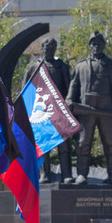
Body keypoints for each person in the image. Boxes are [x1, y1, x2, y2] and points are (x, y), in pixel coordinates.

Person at [66, 31, 112, 185]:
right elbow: (74, 85)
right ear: (90, 46)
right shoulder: (81, 65)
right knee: (83, 143)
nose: (96, 46)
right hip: (86, 110)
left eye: (99, 44)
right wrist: (69, 99)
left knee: (111, 143)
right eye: (93, 44)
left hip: (107, 110)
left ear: (103, 46)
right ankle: (82, 174)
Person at [23, 37, 73, 183]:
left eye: (52, 48)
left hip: (59, 113)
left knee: (64, 146)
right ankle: (45, 175)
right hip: (41, 113)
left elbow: (69, 88)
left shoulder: (62, 67)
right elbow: (26, 91)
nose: (49, 51)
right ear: (42, 49)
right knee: (44, 145)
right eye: (47, 48)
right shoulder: (33, 67)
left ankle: (66, 174)